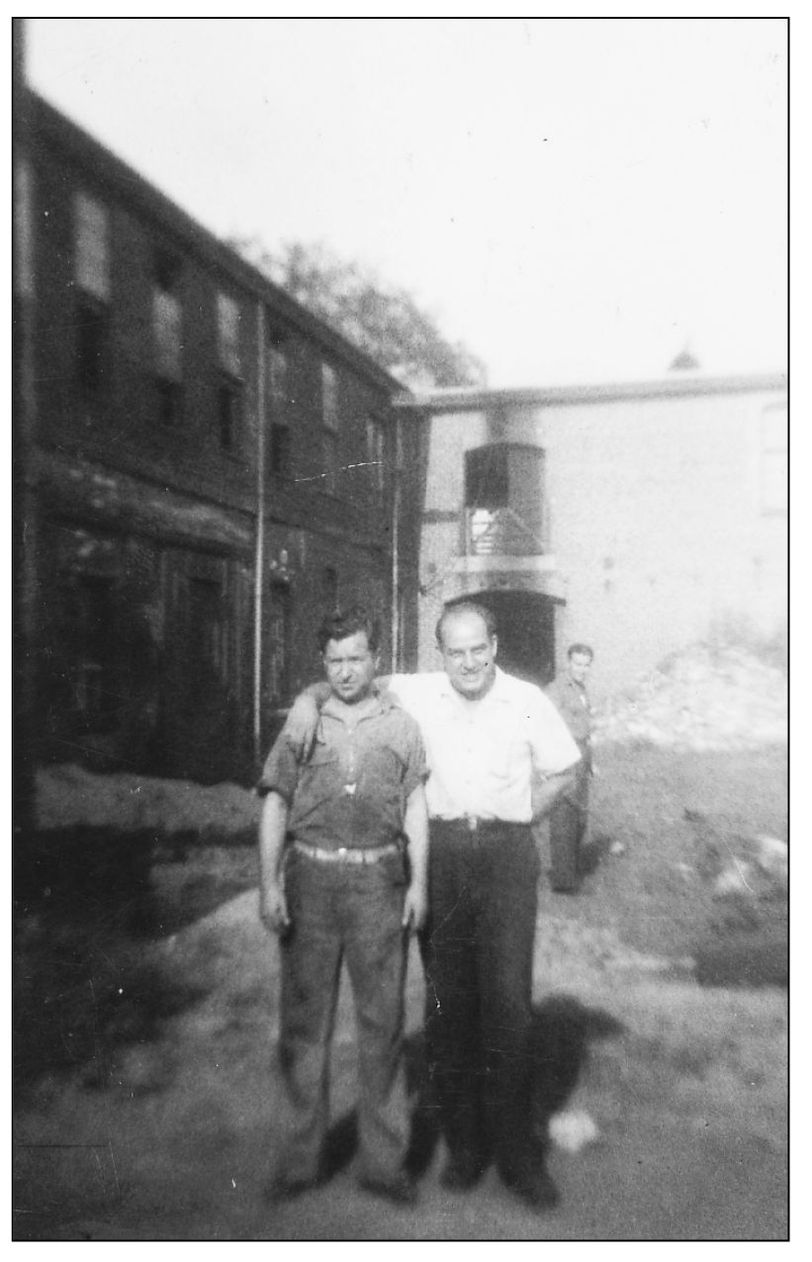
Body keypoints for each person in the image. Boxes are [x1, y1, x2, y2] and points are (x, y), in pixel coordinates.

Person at [283, 601, 581, 1209]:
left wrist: (522, 813)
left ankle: (519, 1156)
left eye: (478, 648)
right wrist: (306, 700)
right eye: (455, 651)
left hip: (504, 858)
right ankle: (467, 1148)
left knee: (507, 1006)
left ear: (494, 645)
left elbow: (566, 772)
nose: (468, 662)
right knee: (448, 1007)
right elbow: (345, 675)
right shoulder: (418, 692)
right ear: (439, 653)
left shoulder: (527, 698)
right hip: (440, 854)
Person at [258, 607, 429, 1207]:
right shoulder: (304, 723)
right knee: (306, 1027)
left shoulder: (402, 726)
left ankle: (383, 1163)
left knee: (382, 1025)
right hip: (311, 880)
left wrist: (419, 884)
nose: (347, 670)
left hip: (380, 880)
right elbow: (275, 802)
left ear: (375, 659)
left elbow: (415, 808)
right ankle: (302, 1158)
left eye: (357, 657)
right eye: (335, 660)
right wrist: (269, 883)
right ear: (322, 664)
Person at [545, 643, 595, 893]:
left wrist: (591, 761)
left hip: (582, 759)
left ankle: (571, 870)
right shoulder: (557, 689)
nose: (582, 669)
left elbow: (586, 729)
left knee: (579, 818)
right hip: (565, 758)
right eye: (578, 664)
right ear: (568, 663)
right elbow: (544, 721)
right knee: (564, 817)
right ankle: (563, 881)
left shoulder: (582, 689)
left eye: (587, 664)